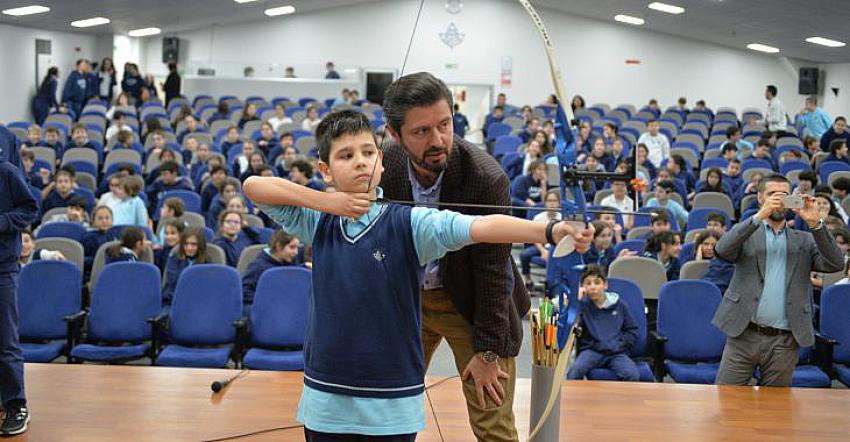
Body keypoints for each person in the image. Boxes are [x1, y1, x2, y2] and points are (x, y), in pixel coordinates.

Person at [244, 109, 590, 441]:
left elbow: (481, 226)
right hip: (326, 396)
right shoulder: (317, 221)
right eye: (346, 156)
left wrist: (549, 231)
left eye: (368, 152)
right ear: (325, 170)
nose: (360, 161)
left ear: (382, 162)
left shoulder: (409, 223)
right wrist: (327, 203)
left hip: (392, 401)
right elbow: (254, 186)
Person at [378, 73, 530, 441]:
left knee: (493, 423)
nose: (438, 140)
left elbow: (494, 272)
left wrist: (489, 352)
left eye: (444, 125)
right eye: (422, 131)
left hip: (472, 303)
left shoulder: (486, 178)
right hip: (407, 301)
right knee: (385, 411)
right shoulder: (384, 165)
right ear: (395, 134)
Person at [713, 174, 844, 386]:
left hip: (785, 339)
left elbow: (835, 263)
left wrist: (816, 224)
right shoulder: (747, 234)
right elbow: (722, 249)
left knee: (776, 404)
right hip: (743, 334)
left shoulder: (805, 240)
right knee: (726, 397)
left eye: (784, 195)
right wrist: (759, 216)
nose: (778, 199)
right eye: (772, 194)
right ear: (760, 198)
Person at [0, 159, 39, 436]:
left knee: (6, 340)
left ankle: (16, 404)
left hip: (2, 267)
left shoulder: (6, 172)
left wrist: (2, 222)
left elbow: (30, 209)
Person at [566, 265, 640, 381]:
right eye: (588, 283)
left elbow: (632, 331)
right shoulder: (583, 306)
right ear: (583, 287)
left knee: (632, 375)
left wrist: (619, 344)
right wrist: (576, 301)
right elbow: (572, 328)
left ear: (605, 285)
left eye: (597, 283)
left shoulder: (620, 305)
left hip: (616, 352)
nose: (592, 287)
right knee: (574, 373)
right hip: (591, 351)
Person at [241, 230, 303, 304]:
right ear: (279, 246)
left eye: (297, 248)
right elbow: (245, 292)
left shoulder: (290, 261)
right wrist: (269, 301)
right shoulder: (258, 266)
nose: (296, 252)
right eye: (292, 247)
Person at [519, 189, 562, 285]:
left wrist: (550, 252)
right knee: (524, 255)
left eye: (554, 201)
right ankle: (528, 279)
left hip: (557, 247)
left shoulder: (562, 218)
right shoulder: (538, 217)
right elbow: (534, 236)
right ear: (545, 203)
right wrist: (543, 251)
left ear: (559, 203)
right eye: (549, 201)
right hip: (540, 245)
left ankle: (555, 282)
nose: (552, 204)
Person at [162, 227, 206, 303]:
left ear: (200, 245)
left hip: (197, 301)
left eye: (193, 244)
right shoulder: (174, 259)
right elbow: (173, 280)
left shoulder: (207, 263)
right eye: (186, 244)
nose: (189, 248)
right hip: (172, 298)